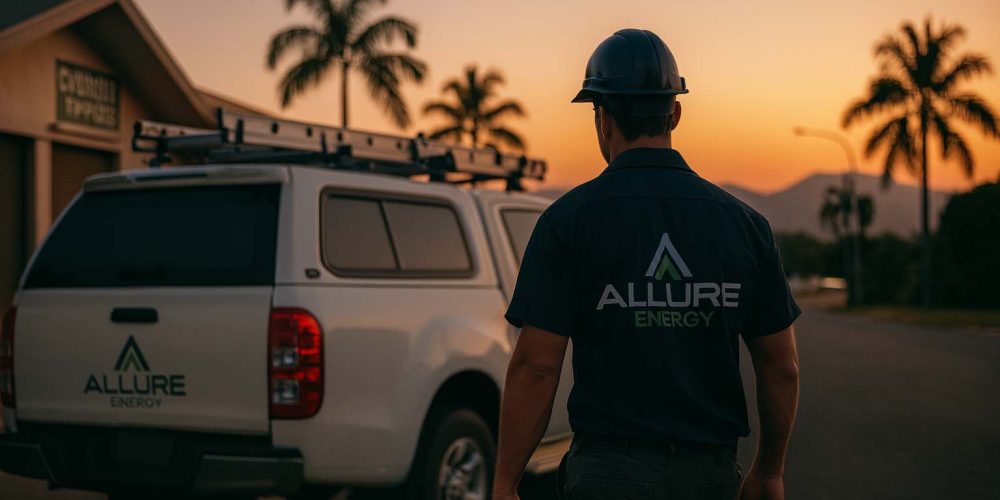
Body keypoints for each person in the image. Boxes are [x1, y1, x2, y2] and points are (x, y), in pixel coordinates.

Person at [492, 29, 801, 500]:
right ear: (674, 111)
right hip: (710, 476)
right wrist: (769, 470)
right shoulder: (744, 225)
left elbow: (536, 366)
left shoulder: (566, 222)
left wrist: (505, 483)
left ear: (602, 118)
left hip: (606, 476)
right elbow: (782, 368)